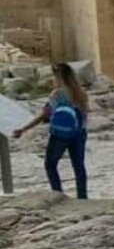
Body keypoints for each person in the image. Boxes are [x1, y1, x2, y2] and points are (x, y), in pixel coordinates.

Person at [10, 62, 90, 198]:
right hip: (79, 133)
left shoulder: (57, 94)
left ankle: (57, 194)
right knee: (78, 166)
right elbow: (85, 114)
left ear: (58, 76)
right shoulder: (81, 93)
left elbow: (44, 115)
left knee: (50, 164)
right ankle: (82, 197)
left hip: (60, 134)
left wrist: (23, 129)